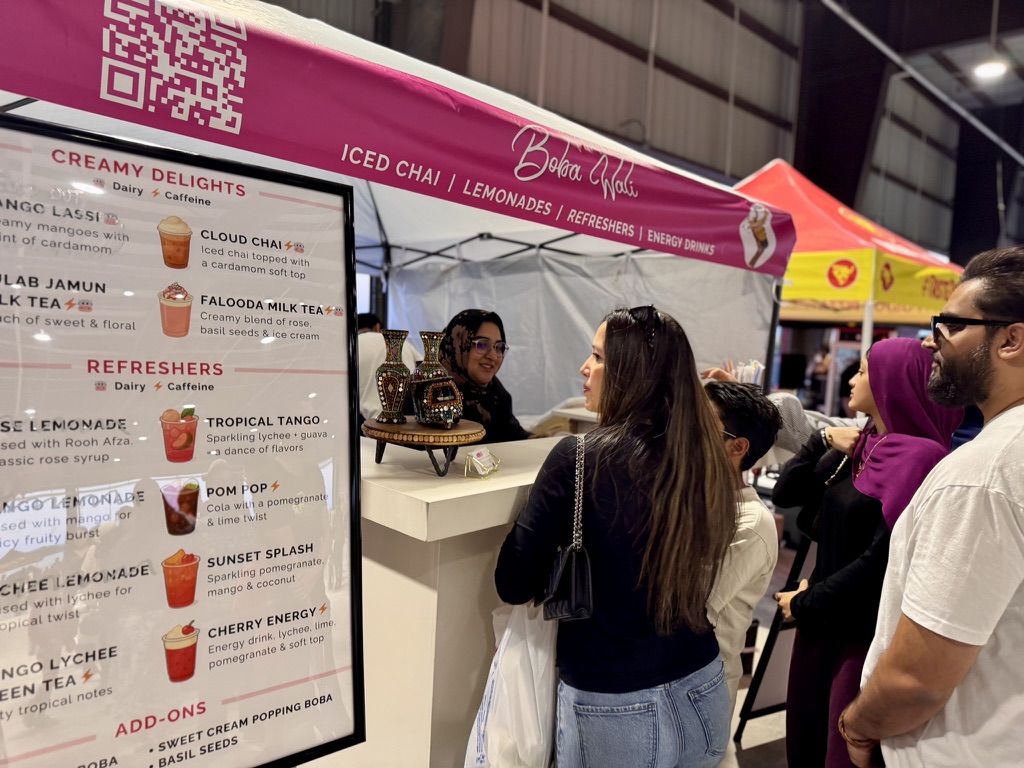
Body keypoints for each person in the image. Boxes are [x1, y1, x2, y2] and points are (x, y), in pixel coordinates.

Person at [495, 306, 737, 768]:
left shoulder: (578, 459)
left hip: (614, 708)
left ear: (633, 372)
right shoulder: (702, 455)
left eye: (598, 356)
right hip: (703, 690)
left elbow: (513, 582)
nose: (585, 368)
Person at [840, 247, 1024, 768]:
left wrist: (857, 726)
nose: (930, 340)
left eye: (951, 325)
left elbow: (915, 680)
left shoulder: (983, 473)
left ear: (1011, 340)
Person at [772, 337, 962, 768]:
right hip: (821, 617)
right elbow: (787, 493)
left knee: (841, 748)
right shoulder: (864, 443)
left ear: (892, 381)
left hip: (860, 630)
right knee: (806, 739)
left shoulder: (919, 457)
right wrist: (821, 439)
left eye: (863, 371)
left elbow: (880, 561)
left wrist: (806, 601)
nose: (852, 380)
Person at [704, 380, 783, 714]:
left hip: (700, 689)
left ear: (737, 448)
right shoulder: (692, 499)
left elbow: (690, 608)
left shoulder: (750, 524)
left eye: (700, 426)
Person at [438, 309, 530, 443]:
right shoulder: (426, 392)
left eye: (499, 347)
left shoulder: (495, 392)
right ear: (457, 345)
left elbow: (513, 435)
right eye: (482, 345)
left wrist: (549, 438)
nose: (493, 356)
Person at [356, 312, 419, 423]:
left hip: (362, 424)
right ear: (377, 327)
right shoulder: (404, 344)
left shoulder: (351, 346)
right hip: (404, 421)